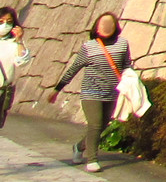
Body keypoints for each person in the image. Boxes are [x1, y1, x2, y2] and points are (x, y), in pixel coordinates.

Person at [47, 12, 131, 173]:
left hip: (112, 92)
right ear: (96, 27)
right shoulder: (89, 47)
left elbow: (127, 65)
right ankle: (92, 159)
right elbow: (74, 68)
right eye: (102, 24)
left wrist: (131, 81)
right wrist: (57, 89)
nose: (106, 27)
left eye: (109, 24)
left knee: (102, 126)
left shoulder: (122, 44)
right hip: (91, 92)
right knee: (95, 124)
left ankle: (79, 147)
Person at [0, 7, 27, 128]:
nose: (5, 25)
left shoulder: (13, 44)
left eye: (9, 21)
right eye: (1, 21)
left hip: (2, 91)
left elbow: (22, 61)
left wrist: (19, 40)